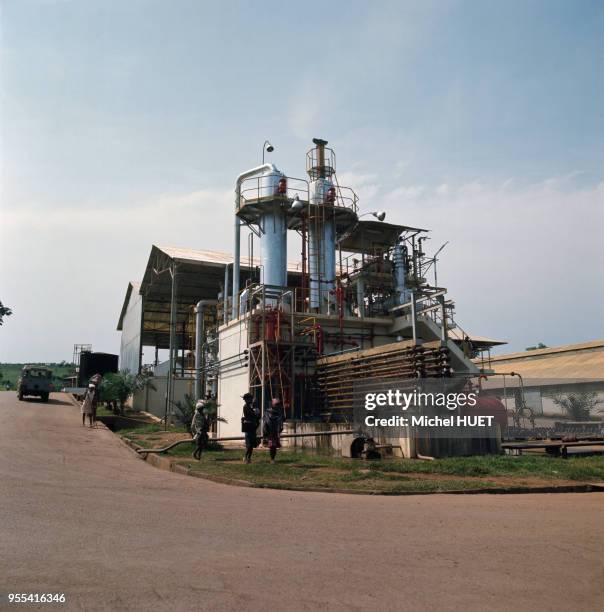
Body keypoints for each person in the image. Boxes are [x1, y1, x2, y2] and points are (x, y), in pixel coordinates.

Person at [263, 397, 284, 463]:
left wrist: (280, 428)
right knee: (272, 446)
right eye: (275, 404)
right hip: (269, 432)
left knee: (274, 447)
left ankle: (272, 458)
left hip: (275, 432)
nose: (277, 405)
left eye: (278, 404)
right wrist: (265, 431)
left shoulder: (279, 413)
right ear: (272, 404)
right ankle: (272, 459)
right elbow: (265, 422)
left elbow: (280, 422)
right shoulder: (267, 412)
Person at [241, 393, 260, 464]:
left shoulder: (250, 406)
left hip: (252, 427)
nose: (251, 400)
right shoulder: (246, 407)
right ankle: (246, 457)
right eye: (250, 399)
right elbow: (252, 415)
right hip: (248, 428)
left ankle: (249, 458)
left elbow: (256, 416)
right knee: (249, 444)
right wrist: (255, 412)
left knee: (251, 444)